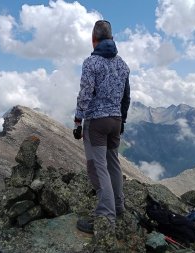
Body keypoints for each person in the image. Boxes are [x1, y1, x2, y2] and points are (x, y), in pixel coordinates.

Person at [73, 20, 130, 234]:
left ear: (93, 40)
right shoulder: (122, 65)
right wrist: (122, 120)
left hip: (96, 123)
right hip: (115, 120)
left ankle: (106, 217)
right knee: (113, 163)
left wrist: (78, 121)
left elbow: (86, 93)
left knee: (98, 167)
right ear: (112, 39)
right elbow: (126, 97)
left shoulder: (91, 63)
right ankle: (119, 205)